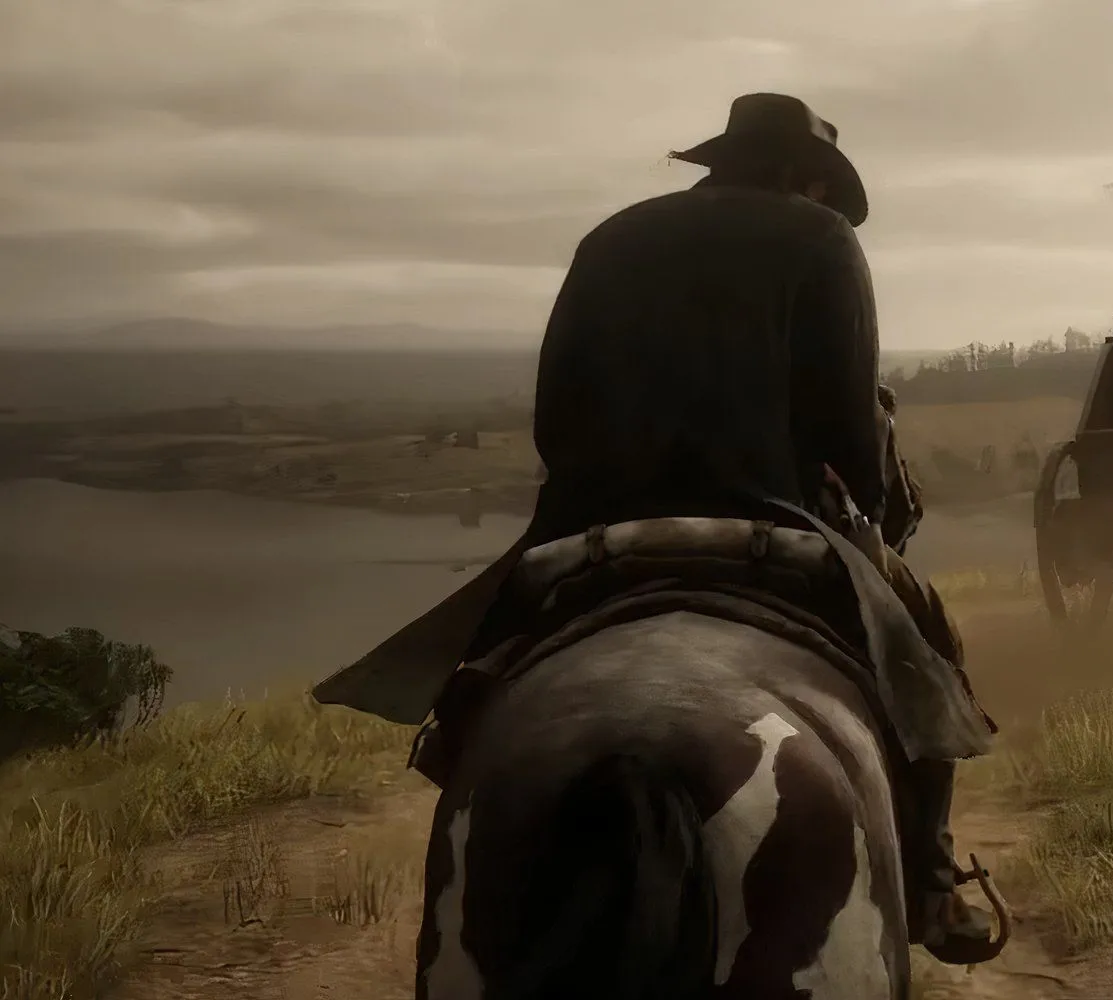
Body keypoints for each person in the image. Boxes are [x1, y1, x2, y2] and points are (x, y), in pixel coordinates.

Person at [312, 92, 998, 963]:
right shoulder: (822, 237)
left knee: (488, 669)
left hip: (595, 523)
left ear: (723, 159)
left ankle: (461, 759)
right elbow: (853, 441)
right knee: (926, 645)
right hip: (776, 518)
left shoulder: (611, 237)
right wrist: (856, 498)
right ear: (810, 177)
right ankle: (932, 878)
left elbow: (554, 419)